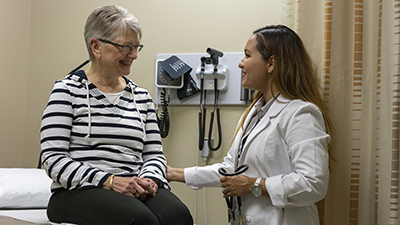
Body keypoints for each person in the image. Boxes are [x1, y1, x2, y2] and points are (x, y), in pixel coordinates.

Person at [40, 5, 193, 225]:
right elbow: (54, 159)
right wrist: (110, 181)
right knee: (139, 220)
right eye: (126, 47)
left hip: (132, 186)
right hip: (77, 191)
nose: (134, 55)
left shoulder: (140, 96)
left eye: (136, 46)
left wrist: (148, 179)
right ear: (96, 46)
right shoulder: (67, 91)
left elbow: (154, 155)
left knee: (178, 215)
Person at [167, 25, 333, 225]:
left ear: (271, 63)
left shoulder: (301, 114)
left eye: (247, 55)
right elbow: (231, 169)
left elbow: (313, 184)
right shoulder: (253, 113)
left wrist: (255, 185)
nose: (240, 63)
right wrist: (173, 173)